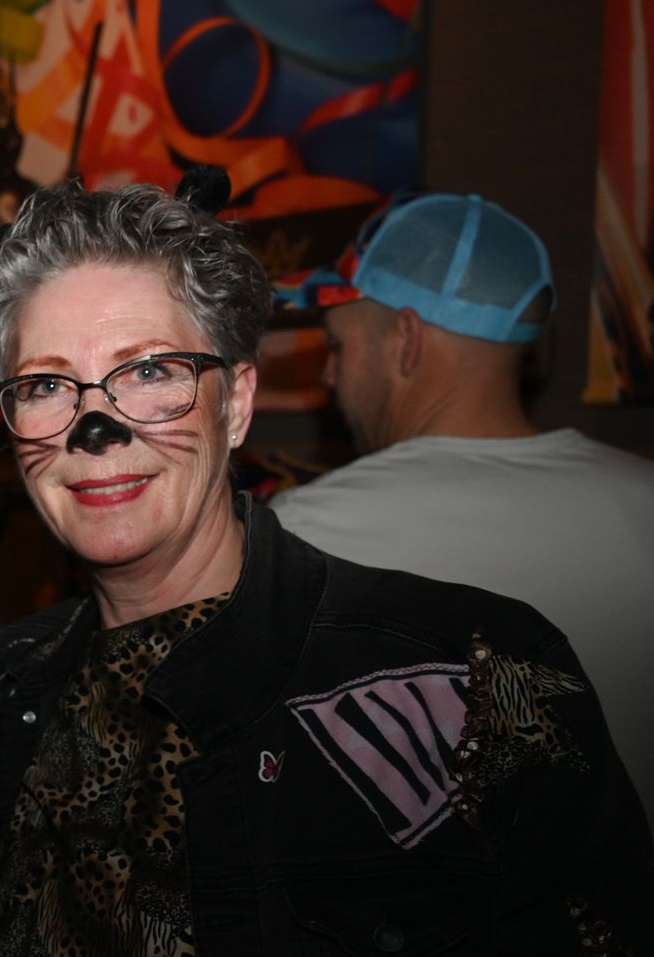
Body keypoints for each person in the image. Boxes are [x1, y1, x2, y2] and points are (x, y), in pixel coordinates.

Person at [0, 175, 654, 957]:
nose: (95, 426)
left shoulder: (472, 675)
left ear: (236, 401)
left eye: (150, 371)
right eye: (47, 385)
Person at [271, 190, 654, 815]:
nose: (330, 377)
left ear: (406, 340)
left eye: (337, 347)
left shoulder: (305, 537)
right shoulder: (645, 501)